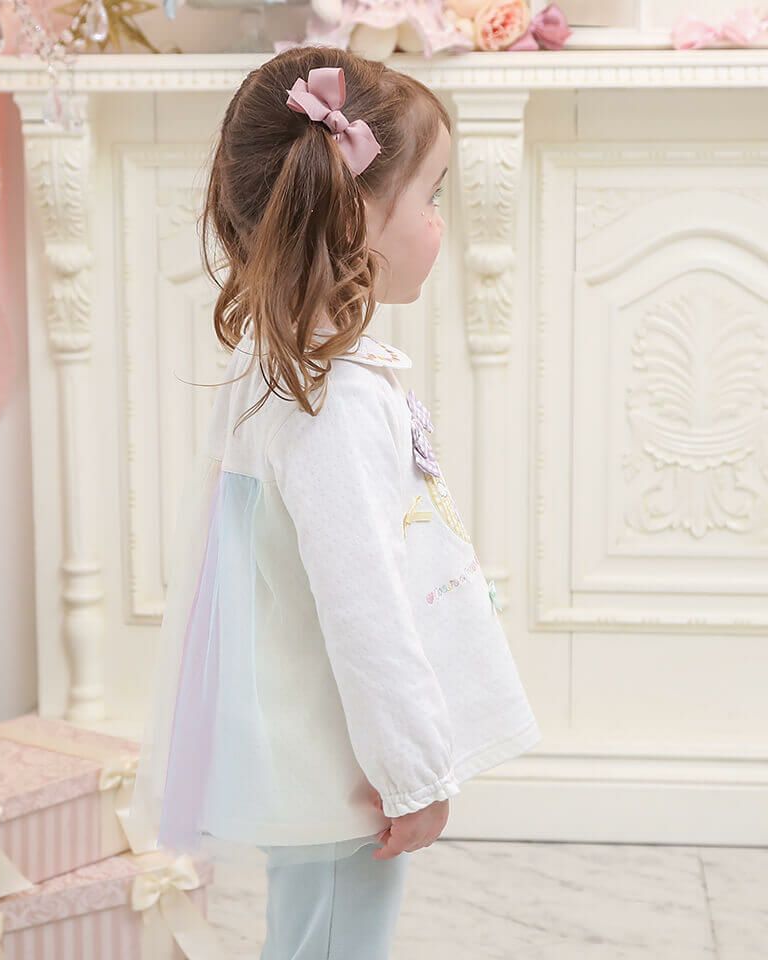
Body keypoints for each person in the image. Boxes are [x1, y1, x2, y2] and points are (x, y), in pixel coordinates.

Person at [127, 45, 542, 960]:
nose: (439, 222)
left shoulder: (281, 367)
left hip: (306, 736)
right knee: (337, 937)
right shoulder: (334, 402)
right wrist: (413, 773)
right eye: (431, 197)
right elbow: (366, 609)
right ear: (355, 218)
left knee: (310, 927)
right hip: (344, 753)